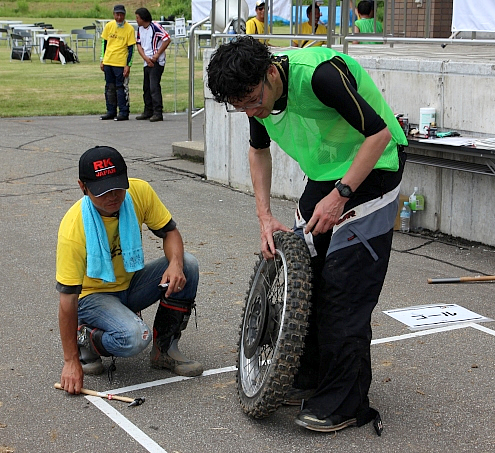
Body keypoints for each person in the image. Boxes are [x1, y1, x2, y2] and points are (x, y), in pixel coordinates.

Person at [206, 36, 406, 433]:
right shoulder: (255, 95)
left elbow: (379, 135)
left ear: (270, 72)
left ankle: (345, 401)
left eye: (251, 100)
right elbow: (257, 150)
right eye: (240, 106)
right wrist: (264, 216)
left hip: (375, 168)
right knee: (307, 280)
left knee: (344, 289)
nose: (251, 110)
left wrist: (340, 196)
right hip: (325, 172)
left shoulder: (320, 76)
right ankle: (309, 375)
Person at [56, 146, 203, 395]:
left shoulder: (139, 192)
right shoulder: (73, 228)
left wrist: (175, 264)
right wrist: (70, 361)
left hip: (131, 284)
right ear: (83, 186)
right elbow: (67, 300)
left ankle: (164, 352)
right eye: (103, 191)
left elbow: (170, 232)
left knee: (188, 264)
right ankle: (87, 338)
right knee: (135, 337)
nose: (113, 196)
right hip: (92, 297)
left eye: (117, 186)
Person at [99, 4, 136, 121]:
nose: (119, 17)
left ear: (124, 15)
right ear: (113, 14)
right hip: (108, 60)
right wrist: (102, 59)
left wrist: (128, 65)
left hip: (120, 63)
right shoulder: (109, 26)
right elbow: (104, 43)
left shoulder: (129, 29)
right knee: (109, 87)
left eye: (121, 15)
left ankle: (124, 112)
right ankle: (111, 110)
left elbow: (131, 49)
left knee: (121, 87)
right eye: (117, 14)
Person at [134, 8, 170, 123]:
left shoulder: (155, 27)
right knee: (146, 87)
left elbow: (167, 39)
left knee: (154, 86)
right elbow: (139, 44)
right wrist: (145, 58)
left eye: (138, 17)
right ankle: (148, 110)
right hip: (147, 60)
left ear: (143, 18)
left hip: (156, 61)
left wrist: (156, 55)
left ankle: (158, 112)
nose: (136, 20)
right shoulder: (140, 28)